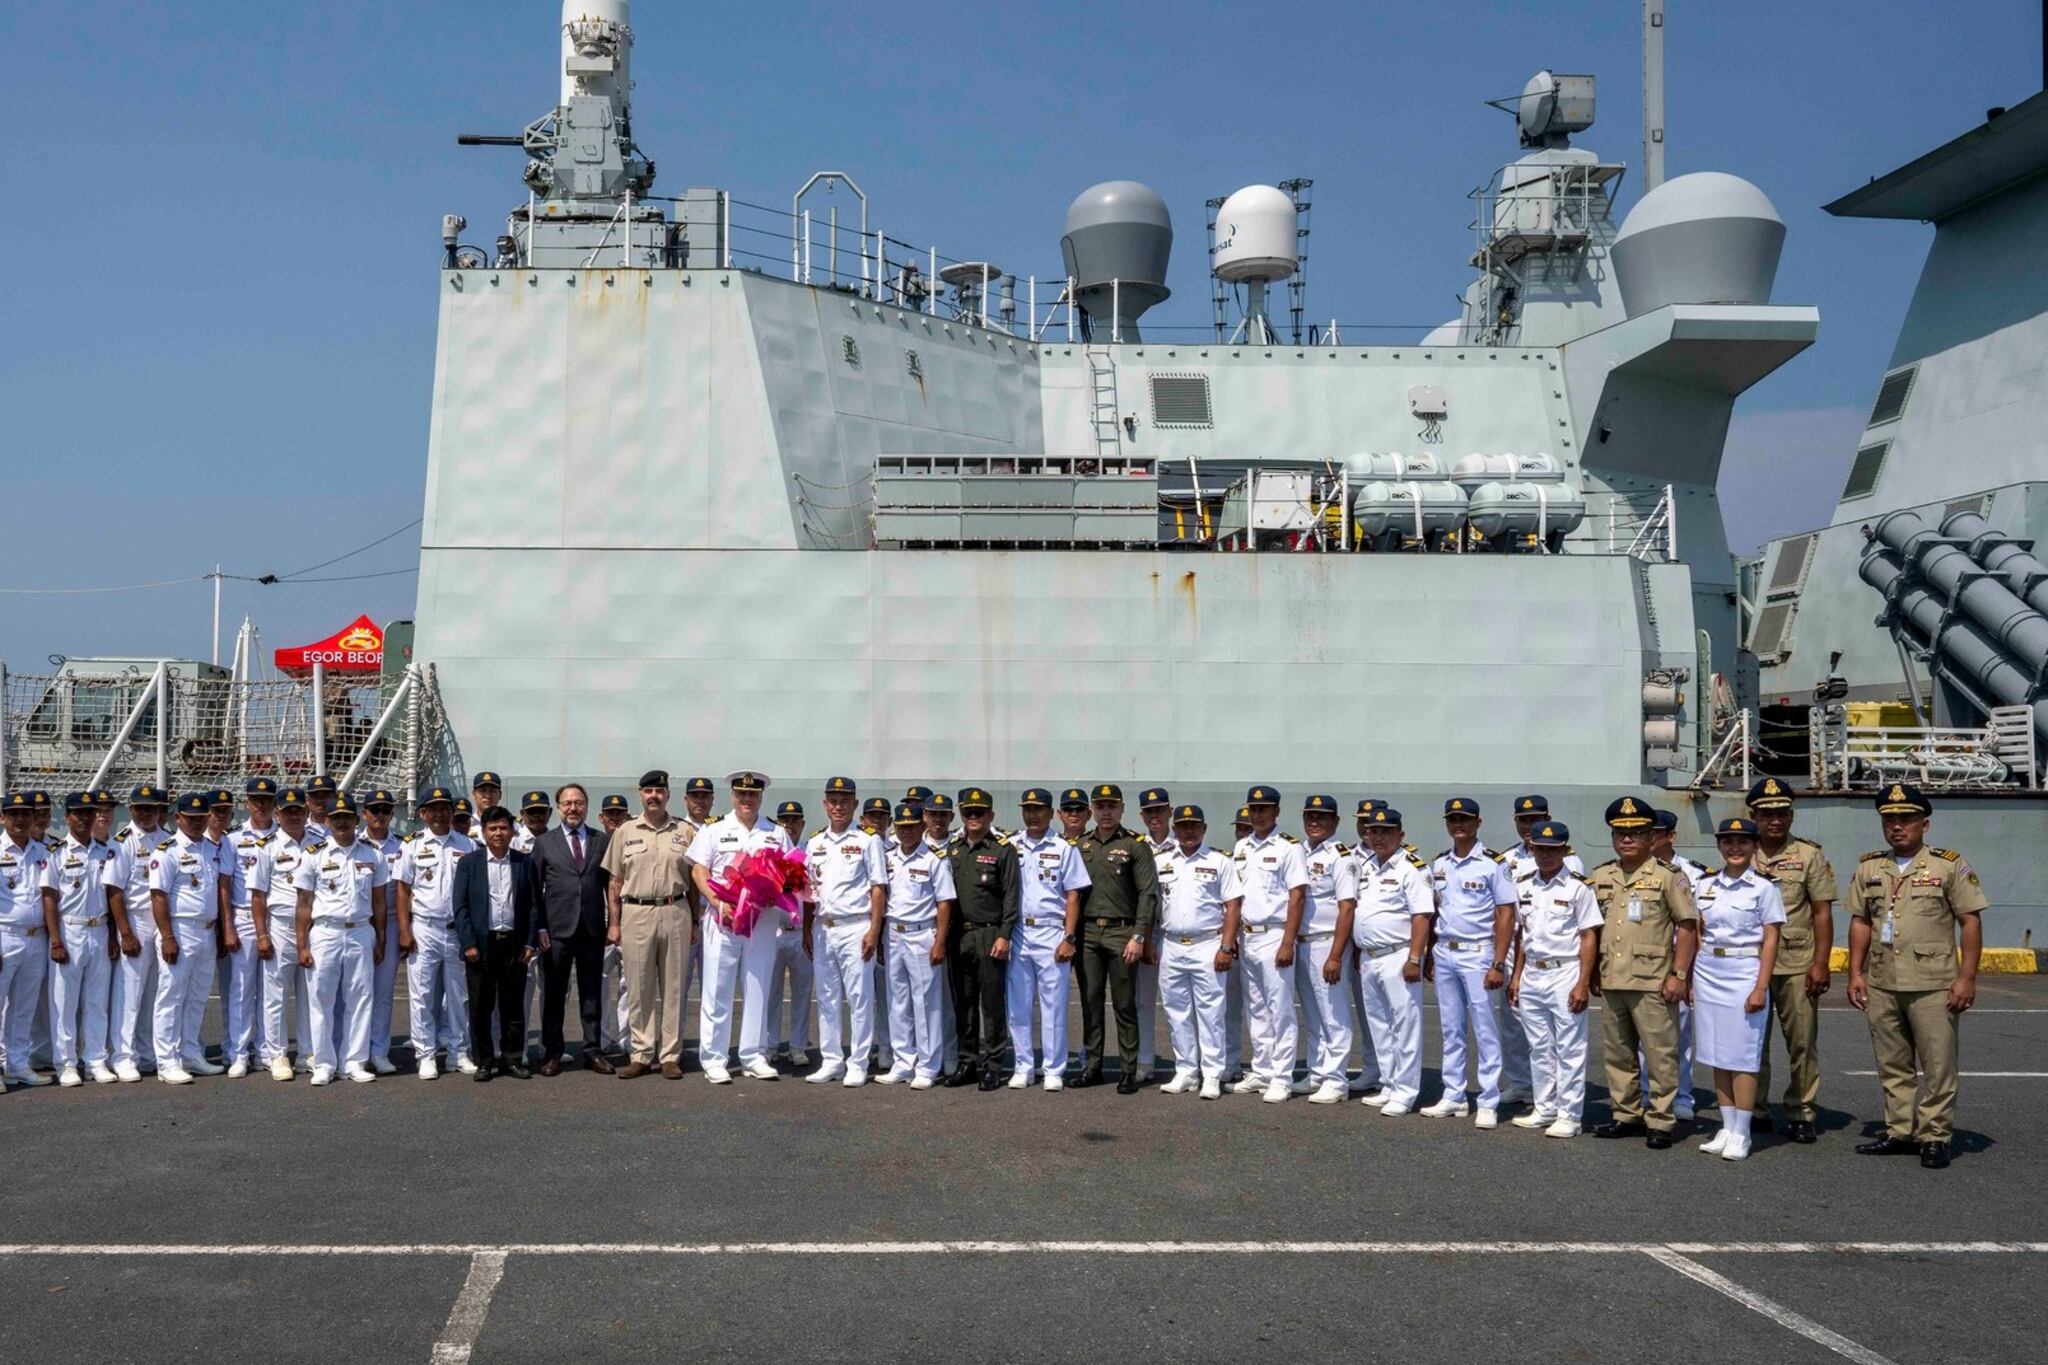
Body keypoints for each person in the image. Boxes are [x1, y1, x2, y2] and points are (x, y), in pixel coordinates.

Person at [1846, 782, 1987, 1170]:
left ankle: (1936, 1135)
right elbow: (1860, 921)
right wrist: (1855, 973)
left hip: (1933, 982)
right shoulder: (1870, 867)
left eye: (1906, 820)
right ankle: (1899, 1130)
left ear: (1924, 824)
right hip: (1882, 980)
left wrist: (1967, 978)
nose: (1897, 827)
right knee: (1892, 1062)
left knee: (1938, 1063)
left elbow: (1969, 922)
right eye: (1889, 820)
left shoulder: (1948, 865)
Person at [1587, 795, 1698, 1149]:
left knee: (1659, 1052)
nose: (1627, 839)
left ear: (1652, 837)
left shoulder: (1669, 877)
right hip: (1612, 976)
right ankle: (1626, 1114)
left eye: (1636, 832)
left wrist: (1678, 975)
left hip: (1652, 979)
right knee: (1617, 1053)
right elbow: (1592, 928)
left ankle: (1662, 1119)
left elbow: (1688, 927)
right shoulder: (1602, 875)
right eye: (1620, 833)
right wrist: (1592, 974)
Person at [688, 770, 797, 1083]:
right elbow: (698, 870)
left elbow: (790, 874)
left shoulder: (775, 832)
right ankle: (713, 1058)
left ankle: (753, 1054)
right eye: (741, 794)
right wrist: (716, 901)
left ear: (761, 797)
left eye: (753, 795)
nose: (747, 800)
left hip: (761, 922)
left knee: (758, 986)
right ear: (732, 797)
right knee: (717, 989)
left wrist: (776, 892)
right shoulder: (714, 829)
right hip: (722, 919)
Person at [1746, 776, 1836, 1144]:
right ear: (1752, 815)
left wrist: (1821, 962)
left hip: (1797, 962)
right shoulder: (1739, 852)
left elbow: (1821, 912)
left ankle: (1801, 1110)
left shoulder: (1809, 855)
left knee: (1801, 1042)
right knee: (1752, 1043)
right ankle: (1755, 1108)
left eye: (1782, 813)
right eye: (1766, 814)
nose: (1775, 821)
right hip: (1749, 964)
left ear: (1791, 816)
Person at [1691, 817, 1785, 1163]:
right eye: (1728, 842)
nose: (1735, 848)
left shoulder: (1764, 887)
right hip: (1708, 970)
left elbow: (1772, 937)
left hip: (1745, 970)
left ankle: (1743, 1131)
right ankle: (1727, 1126)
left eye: (1743, 842)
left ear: (1754, 847)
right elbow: (1698, 930)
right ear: (1719, 846)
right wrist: (1691, 977)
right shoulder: (1703, 885)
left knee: (1743, 1054)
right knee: (1716, 1052)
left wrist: (1761, 986)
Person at [1423, 797, 1517, 1126]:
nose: (1458, 824)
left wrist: (1499, 962)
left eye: (1464, 819)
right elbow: (1436, 910)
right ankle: (1454, 1095)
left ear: (1478, 823)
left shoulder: (1494, 864)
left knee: (1485, 1028)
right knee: (1451, 1028)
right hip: (1445, 951)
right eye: (1452, 819)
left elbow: (1506, 913)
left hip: (1479, 952)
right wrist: (1430, 954)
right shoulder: (1440, 865)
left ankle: (1488, 1099)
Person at [1506, 820, 1601, 1138]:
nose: (1545, 855)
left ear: (1564, 850)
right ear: (1531, 849)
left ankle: (1570, 1115)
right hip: (1532, 972)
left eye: (1552, 850)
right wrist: (1516, 977)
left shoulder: (1577, 887)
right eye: (1540, 849)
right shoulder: (1523, 885)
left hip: (1565, 972)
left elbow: (1589, 936)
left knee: (1570, 1048)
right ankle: (1545, 1108)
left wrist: (1583, 983)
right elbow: (1522, 935)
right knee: (1539, 1046)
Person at [601, 771, 698, 1080]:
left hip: (675, 911)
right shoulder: (626, 831)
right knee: (639, 986)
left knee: (674, 985)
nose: (654, 795)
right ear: (640, 794)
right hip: (636, 913)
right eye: (648, 791)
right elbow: (614, 881)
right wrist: (614, 924)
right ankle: (641, 1054)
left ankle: (670, 1055)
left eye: (659, 790)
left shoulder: (685, 831)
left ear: (668, 795)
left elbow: (695, 882)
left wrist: (695, 921)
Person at [1338, 805, 1434, 1115]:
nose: (1378, 837)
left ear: (1400, 835)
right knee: (1379, 1024)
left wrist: (1415, 959)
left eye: (1386, 832)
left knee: (1404, 1024)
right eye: (1373, 831)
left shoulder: (1412, 868)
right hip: (1369, 957)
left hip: (1398, 955)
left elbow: (1421, 917)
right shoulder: (1366, 867)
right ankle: (1389, 1083)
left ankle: (1405, 1091)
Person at [292, 791, 388, 1085]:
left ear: (357, 819)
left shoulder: (373, 854)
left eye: (347, 817)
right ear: (327, 820)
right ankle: (323, 1063)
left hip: (361, 930)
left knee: (360, 998)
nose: (342, 823)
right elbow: (303, 904)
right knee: (321, 999)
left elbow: (380, 901)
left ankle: (354, 1062)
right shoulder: (314, 855)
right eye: (337, 818)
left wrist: (380, 938)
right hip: (325, 932)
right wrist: (302, 944)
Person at [1076, 784, 1159, 1094]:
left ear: (1121, 809)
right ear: (1092, 810)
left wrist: (1139, 935)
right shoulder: (1082, 845)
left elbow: (1147, 894)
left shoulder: (1135, 845)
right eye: (1100, 806)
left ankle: (1127, 1069)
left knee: (1124, 1004)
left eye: (1111, 806)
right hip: (1087, 935)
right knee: (1090, 1001)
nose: (1106, 811)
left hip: (1121, 933)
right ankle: (1092, 1066)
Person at [1154, 804, 1241, 1099]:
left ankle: (1213, 1074)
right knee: (1176, 1012)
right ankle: (1186, 1071)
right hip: (1171, 945)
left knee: (1211, 1013)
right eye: (1183, 826)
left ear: (1204, 829)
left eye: (1194, 826)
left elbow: (1232, 906)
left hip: (1207, 944)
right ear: (1175, 829)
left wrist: (1226, 947)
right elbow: (1153, 906)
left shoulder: (1220, 861)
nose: (1188, 831)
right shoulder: (1161, 862)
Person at [1227, 784, 1307, 1104]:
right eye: (1253, 809)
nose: (1257, 814)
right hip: (1248, 936)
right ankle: (1262, 1069)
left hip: (1276, 935)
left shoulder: (1290, 848)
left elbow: (1297, 896)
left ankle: (1282, 1076)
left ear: (1276, 811)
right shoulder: (1242, 847)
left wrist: (1288, 941)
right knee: (1256, 1008)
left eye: (1264, 809)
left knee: (1280, 1010)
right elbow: (1236, 896)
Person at [1499, 795, 1581, 1106]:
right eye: (1523, 820)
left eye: (1535, 820)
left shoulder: (1569, 860)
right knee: (1514, 1026)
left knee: (1557, 1032)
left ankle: (1559, 1095)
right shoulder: (1506, 859)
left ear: (1546, 818)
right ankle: (1521, 1083)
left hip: (1557, 955)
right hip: (1519, 950)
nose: (1528, 825)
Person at [804, 777, 886, 1086]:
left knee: (859, 998)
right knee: (826, 997)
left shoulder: (868, 840)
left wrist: (874, 930)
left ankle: (858, 1062)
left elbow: (878, 888)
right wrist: (806, 931)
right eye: (833, 801)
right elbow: (809, 890)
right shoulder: (815, 842)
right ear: (825, 805)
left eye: (844, 800)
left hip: (855, 926)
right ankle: (831, 1060)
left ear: (854, 804)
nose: (838, 806)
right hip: (824, 928)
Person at [1006, 789, 1089, 1091]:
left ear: (1051, 812)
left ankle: (1053, 1069)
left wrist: (1069, 936)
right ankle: (1023, 1065)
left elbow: (1073, 895)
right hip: (1018, 931)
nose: (1032, 814)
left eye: (1038, 809)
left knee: (1054, 1005)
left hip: (1052, 931)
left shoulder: (1064, 848)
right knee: (1018, 1004)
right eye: (1027, 809)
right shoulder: (1011, 845)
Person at [148, 792, 233, 1084]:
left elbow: (217, 892)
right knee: (171, 996)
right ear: (178, 818)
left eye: (201, 818)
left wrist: (221, 931)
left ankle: (191, 1053)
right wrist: (167, 936)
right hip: (180, 931)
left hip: (207, 931)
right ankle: (167, 1061)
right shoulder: (166, 851)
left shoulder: (212, 848)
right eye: (191, 818)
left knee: (197, 997)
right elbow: (158, 897)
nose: (196, 823)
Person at [393, 785, 476, 1079]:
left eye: (445, 808)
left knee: (459, 996)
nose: (440, 814)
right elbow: (402, 890)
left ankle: (458, 1052)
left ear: (452, 812)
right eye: (434, 808)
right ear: (423, 813)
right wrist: (405, 931)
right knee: (423, 995)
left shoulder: (467, 846)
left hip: (456, 931)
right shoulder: (412, 845)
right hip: (425, 928)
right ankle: (425, 1054)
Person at [530, 783, 613, 1075]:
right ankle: (552, 1052)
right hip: (556, 931)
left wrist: (613, 924)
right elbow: (534, 890)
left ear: (587, 806)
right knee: (554, 994)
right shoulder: (545, 843)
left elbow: (610, 886)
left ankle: (592, 1051)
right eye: (567, 803)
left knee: (592, 993)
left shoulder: (601, 840)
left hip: (591, 929)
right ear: (558, 808)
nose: (573, 808)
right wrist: (539, 927)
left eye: (578, 802)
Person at [453, 804, 540, 1082]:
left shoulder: (524, 862)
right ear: (484, 832)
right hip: (482, 944)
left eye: (503, 827)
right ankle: (484, 1060)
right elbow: (461, 907)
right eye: (493, 828)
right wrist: (468, 943)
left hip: (514, 942)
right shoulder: (469, 863)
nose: (498, 833)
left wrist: (530, 943)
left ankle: (513, 1058)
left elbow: (534, 906)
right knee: (480, 1006)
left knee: (513, 1006)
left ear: (512, 831)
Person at [943, 787, 1018, 1089]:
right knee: (964, 1002)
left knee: (991, 1003)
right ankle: (967, 1061)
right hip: (959, 936)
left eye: (979, 812)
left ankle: (994, 1065)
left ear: (991, 815)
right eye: (968, 813)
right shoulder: (953, 848)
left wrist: (1004, 935)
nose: (973, 818)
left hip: (989, 934)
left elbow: (1012, 896)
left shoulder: (1003, 850)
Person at [877, 802, 956, 1087]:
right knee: (897, 1002)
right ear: (895, 828)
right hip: (894, 934)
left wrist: (940, 941)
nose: (907, 832)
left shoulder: (933, 860)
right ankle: (903, 1062)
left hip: (923, 934)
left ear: (921, 827)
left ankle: (928, 1066)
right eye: (901, 827)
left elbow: (944, 902)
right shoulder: (888, 859)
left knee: (926, 1004)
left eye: (912, 827)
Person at [43, 792, 119, 1086]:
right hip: (70, 930)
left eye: (89, 812)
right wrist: (56, 940)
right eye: (79, 813)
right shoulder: (57, 854)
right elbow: (49, 899)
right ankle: (66, 1063)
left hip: (99, 929)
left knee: (97, 1001)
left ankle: (96, 1060)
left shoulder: (105, 851)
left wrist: (113, 935)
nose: (85, 817)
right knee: (64, 1002)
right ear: (67, 818)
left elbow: (112, 896)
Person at [1287, 795, 1356, 1104]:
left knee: (1334, 1014)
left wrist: (1336, 955)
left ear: (1336, 822)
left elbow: (1347, 908)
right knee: (1312, 1014)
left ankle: (1336, 1079)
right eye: (1310, 816)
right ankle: (1317, 1071)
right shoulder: (1296, 851)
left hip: (1327, 942)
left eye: (1323, 817)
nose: (1315, 822)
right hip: (1301, 942)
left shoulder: (1341, 857)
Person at [104, 783, 173, 1081]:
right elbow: (115, 891)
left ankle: (147, 1053)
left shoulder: (168, 840)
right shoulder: (122, 842)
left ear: (160, 810)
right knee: (129, 994)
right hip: (136, 920)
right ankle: (123, 1056)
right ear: (130, 810)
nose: (146, 814)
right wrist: (125, 932)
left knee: (155, 993)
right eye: (140, 808)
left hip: (164, 921)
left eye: (151, 808)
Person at [250, 789, 317, 1079]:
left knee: (311, 992)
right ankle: (276, 1055)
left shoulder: (319, 844)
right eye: (287, 811)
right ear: (278, 814)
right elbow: (257, 896)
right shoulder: (265, 847)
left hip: (314, 927)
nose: (293, 816)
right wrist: (262, 935)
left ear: (306, 812)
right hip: (280, 926)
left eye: (298, 810)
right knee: (275, 993)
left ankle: (307, 1052)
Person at [1646, 807, 1705, 1121]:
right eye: (1647, 832)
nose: (1649, 839)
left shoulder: (1693, 874)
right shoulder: (1636, 869)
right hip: (1643, 962)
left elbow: (1697, 928)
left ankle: (1682, 1096)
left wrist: (1688, 975)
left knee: (1678, 1036)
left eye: (1656, 833)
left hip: (1677, 961)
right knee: (1643, 1037)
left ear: (1670, 836)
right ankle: (1647, 1095)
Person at [219, 778, 281, 1078]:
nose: (261, 805)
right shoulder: (232, 839)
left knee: (271, 990)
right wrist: (228, 927)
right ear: (247, 803)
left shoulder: (284, 837)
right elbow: (225, 884)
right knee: (242, 989)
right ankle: (238, 1053)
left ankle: (267, 1052)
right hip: (243, 917)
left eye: (267, 800)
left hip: (276, 920)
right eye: (256, 800)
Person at [0, 791, 57, 1086]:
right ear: (3, 818)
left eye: (25, 815)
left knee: (24, 1007)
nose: (20, 820)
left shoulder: (43, 852)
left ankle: (18, 1063)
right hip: (4, 935)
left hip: (36, 939)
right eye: (13, 815)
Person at [359, 790, 407, 1074]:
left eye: (385, 810)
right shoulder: (350, 842)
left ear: (392, 814)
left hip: (389, 922)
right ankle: (353, 1050)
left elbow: (406, 891)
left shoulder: (402, 847)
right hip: (357, 923)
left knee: (384, 991)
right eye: (374, 809)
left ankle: (378, 1050)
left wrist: (404, 930)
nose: (379, 815)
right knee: (353, 992)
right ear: (364, 813)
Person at [768, 798, 814, 1065]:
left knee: (803, 991)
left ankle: (798, 1046)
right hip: (774, 930)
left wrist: (809, 930)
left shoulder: (811, 852)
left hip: (801, 932)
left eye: (795, 820)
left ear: (802, 823)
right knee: (771, 992)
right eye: (785, 820)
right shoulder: (771, 856)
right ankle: (770, 1044)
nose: (790, 825)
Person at [1133, 786, 1174, 1078]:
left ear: (1169, 811)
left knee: (1179, 1003)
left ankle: (1189, 1063)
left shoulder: (1185, 843)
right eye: (1149, 812)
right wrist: (1143, 938)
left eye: (1159, 810)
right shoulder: (1136, 846)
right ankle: (1145, 1060)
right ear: (1142, 815)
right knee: (1143, 1001)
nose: (1154, 816)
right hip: (1146, 933)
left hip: (1174, 934)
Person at [596, 793, 632, 1053]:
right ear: (601, 817)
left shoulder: (631, 842)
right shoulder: (594, 844)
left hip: (630, 921)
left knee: (629, 984)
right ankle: (602, 1037)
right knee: (599, 983)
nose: (615, 818)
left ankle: (626, 1038)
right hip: (599, 924)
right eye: (610, 814)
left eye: (619, 813)